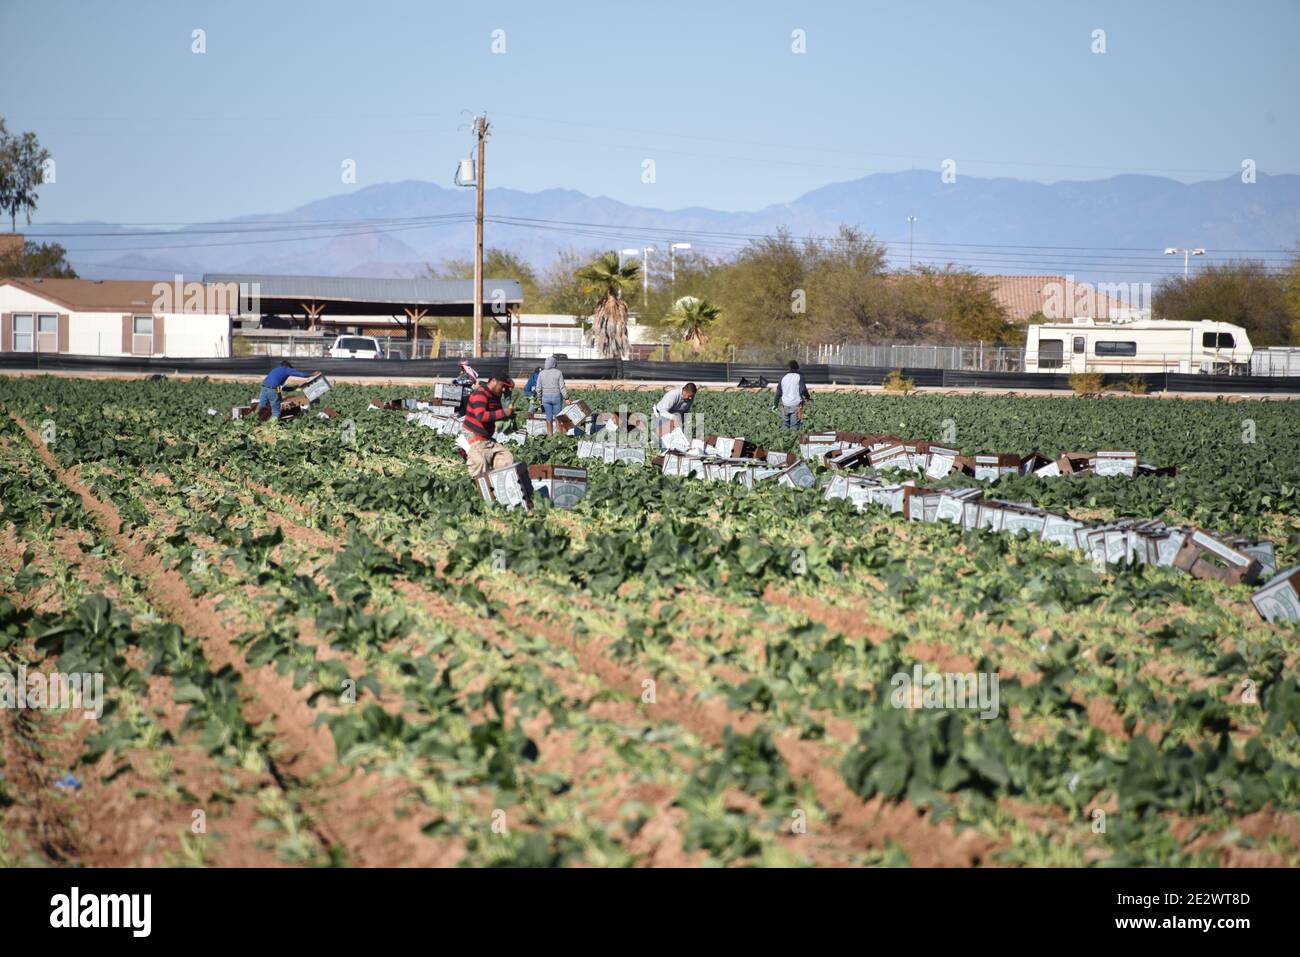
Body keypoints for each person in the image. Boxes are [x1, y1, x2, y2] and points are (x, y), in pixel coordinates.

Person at [462, 375, 517, 479]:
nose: (504, 389)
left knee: (506, 459)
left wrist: (508, 405)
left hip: (486, 438)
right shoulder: (480, 394)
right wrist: (504, 412)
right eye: (503, 386)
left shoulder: (495, 396)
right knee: (480, 462)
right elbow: (481, 416)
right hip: (473, 434)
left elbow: (497, 415)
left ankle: (499, 484)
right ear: (494, 381)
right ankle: (480, 488)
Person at [653, 382, 697, 448]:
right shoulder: (673, 395)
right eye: (689, 396)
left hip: (676, 416)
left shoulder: (690, 398)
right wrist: (672, 417)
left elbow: (685, 412)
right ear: (684, 391)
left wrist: (682, 424)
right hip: (662, 415)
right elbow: (663, 412)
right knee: (665, 441)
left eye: (692, 396)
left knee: (678, 439)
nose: (690, 398)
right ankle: (664, 454)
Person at [773, 360, 811, 429]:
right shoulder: (799, 377)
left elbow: (778, 392)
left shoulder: (783, 377)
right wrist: (808, 397)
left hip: (785, 405)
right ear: (797, 367)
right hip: (796, 405)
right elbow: (803, 390)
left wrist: (775, 404)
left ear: (789, 368)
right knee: (794, 427)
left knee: (785, 425)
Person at [535, 355, 569, 434]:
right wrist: (566, 398)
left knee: (548, 418)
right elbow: (562, 387)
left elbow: (538, 388)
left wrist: (539, 398)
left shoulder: (541, 373)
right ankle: (559, 435)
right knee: (558, 417)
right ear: (554, 363)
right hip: (556, 397)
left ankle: (550, 435)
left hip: (545, 398)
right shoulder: (558, 372)